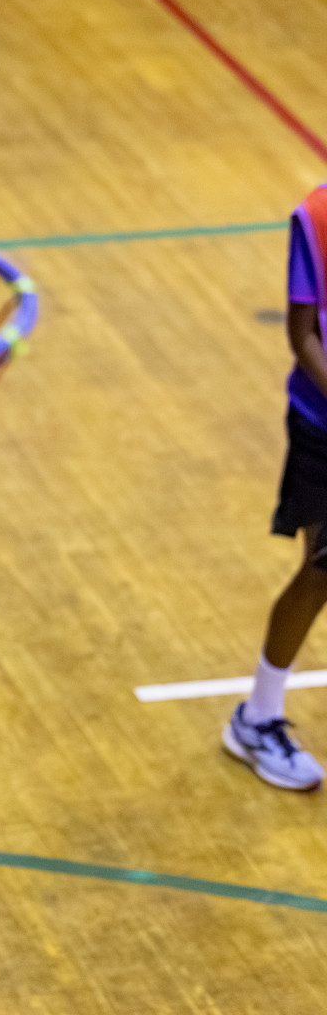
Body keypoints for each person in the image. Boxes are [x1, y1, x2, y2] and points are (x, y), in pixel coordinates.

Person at [226, 184, 327, 792]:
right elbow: (304, 333)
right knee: (322, 568)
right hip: (323, 426)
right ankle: (257, 718)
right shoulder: (316, 218)